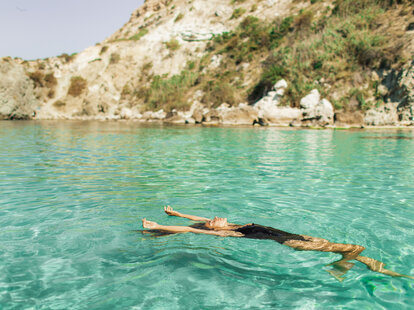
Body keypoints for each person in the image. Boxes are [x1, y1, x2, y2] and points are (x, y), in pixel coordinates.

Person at [142, 206, 413, 281]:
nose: (215, 217)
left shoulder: (232, 224)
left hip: (292, 234)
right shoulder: (226, 233)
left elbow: (195, 219)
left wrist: (178, 212)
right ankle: (341, 268)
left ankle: (390, 273)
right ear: (214, 229)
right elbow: (193, 229)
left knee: (357, 253)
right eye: (213, 221)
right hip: (288, 241)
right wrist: (160, 227)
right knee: (354, 248)